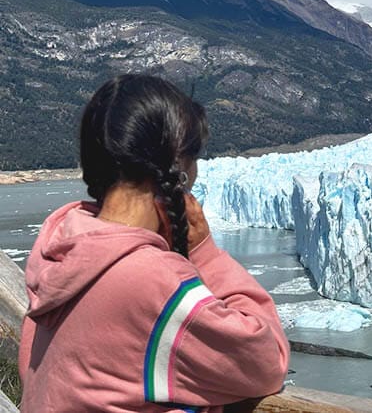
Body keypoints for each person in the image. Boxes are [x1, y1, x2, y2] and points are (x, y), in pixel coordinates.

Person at [18, 74, 289, 412]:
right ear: (179, 168)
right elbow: (265, 361)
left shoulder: (59, 251)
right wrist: (205, 254)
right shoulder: (150, 280)